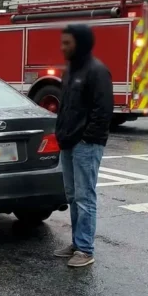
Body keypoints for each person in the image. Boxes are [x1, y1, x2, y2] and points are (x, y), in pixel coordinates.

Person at [53, 25, 113, 268]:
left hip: (85, 145)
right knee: (72, 196)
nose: (62, 47)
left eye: (67, 43)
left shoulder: (97, 71)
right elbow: (66, 106)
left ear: (81, 43)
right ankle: (77, 243)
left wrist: (87, 138)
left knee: (84, 197)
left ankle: (85, 249)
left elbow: (103, 111)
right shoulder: (71, 70)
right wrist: (60, 133)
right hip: (68, 142)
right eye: (62, 42)